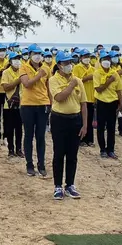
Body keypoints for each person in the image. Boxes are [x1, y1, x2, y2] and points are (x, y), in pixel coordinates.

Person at [49, 52, 87, 200]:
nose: (69, 66)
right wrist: (71, 85)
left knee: (72, 154)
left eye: (70, 62)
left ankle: (70, 184)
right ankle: (58, 186)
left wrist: (84, 125)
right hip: (59, 119)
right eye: (65, 63)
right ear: (59, 65)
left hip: (75, 120)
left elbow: (83, 104)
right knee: (59, 153)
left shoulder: (78, 80)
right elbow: (59, 97)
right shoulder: (53, 80)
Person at [19, 44, 51, 177]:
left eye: (39, 53)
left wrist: (51, 103)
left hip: (43, 104)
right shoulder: (24, 67)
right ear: (30, 54)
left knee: (40, 136)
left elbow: (48, 87)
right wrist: (39, 75)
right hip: (28, 105)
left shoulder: (46, 68)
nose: (37, 56)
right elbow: (26, 84)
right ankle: (29, 164)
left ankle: (41, 164)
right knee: (28, 134)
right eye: (35, 53)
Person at [1, 52, 24, 158]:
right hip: (9, 105)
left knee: (19, 128)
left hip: (21, 104)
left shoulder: (23, 71)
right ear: (10, 61)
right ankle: (11, 149)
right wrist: (17, 81)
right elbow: (5, 87)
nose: (17, 61)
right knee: (9, 128)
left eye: (18, 59)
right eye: (15, 59)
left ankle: (19, 149)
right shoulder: (6, 72)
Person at [72, 49, 95, 147]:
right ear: (81, 58)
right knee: (81, 119)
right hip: (81, 97)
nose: (87, 59)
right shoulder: (77, 68)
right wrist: (86, 78)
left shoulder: (92, 68)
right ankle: (81, 139)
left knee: (89, 119)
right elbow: (75, 81)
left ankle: (90, 139)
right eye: (85, 57)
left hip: (91, 96)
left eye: (88, 57)